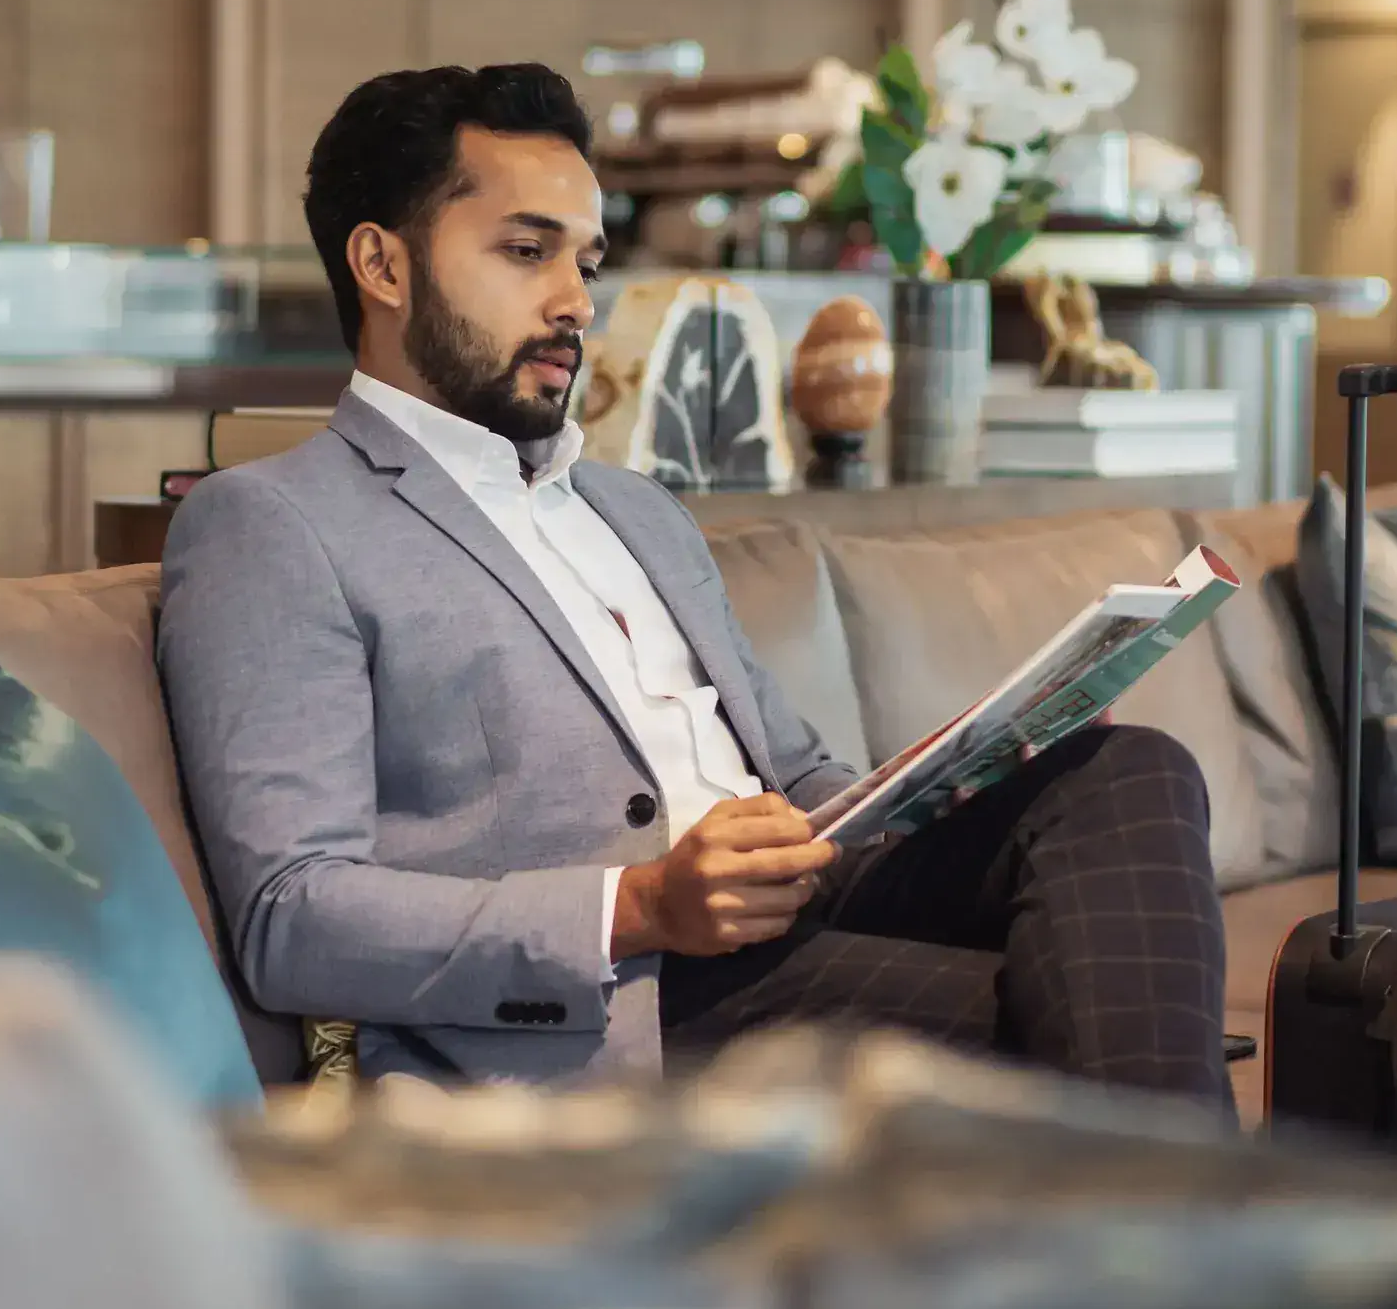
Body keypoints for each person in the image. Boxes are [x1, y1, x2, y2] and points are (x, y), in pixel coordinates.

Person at [158, 62, 1229, 1105]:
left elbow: (801, 775)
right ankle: (1236, 1260)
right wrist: (640, 907)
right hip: (633, 998)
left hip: (797, 901)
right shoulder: (273, 523)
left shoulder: (637, 510)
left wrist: (937, 773)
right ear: (383, 268)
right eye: (528, 251)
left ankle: (1194, 1259)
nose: (577, 301)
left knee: (1126, 772)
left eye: (587, 260)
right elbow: (291, 918)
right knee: (1079, 1024)